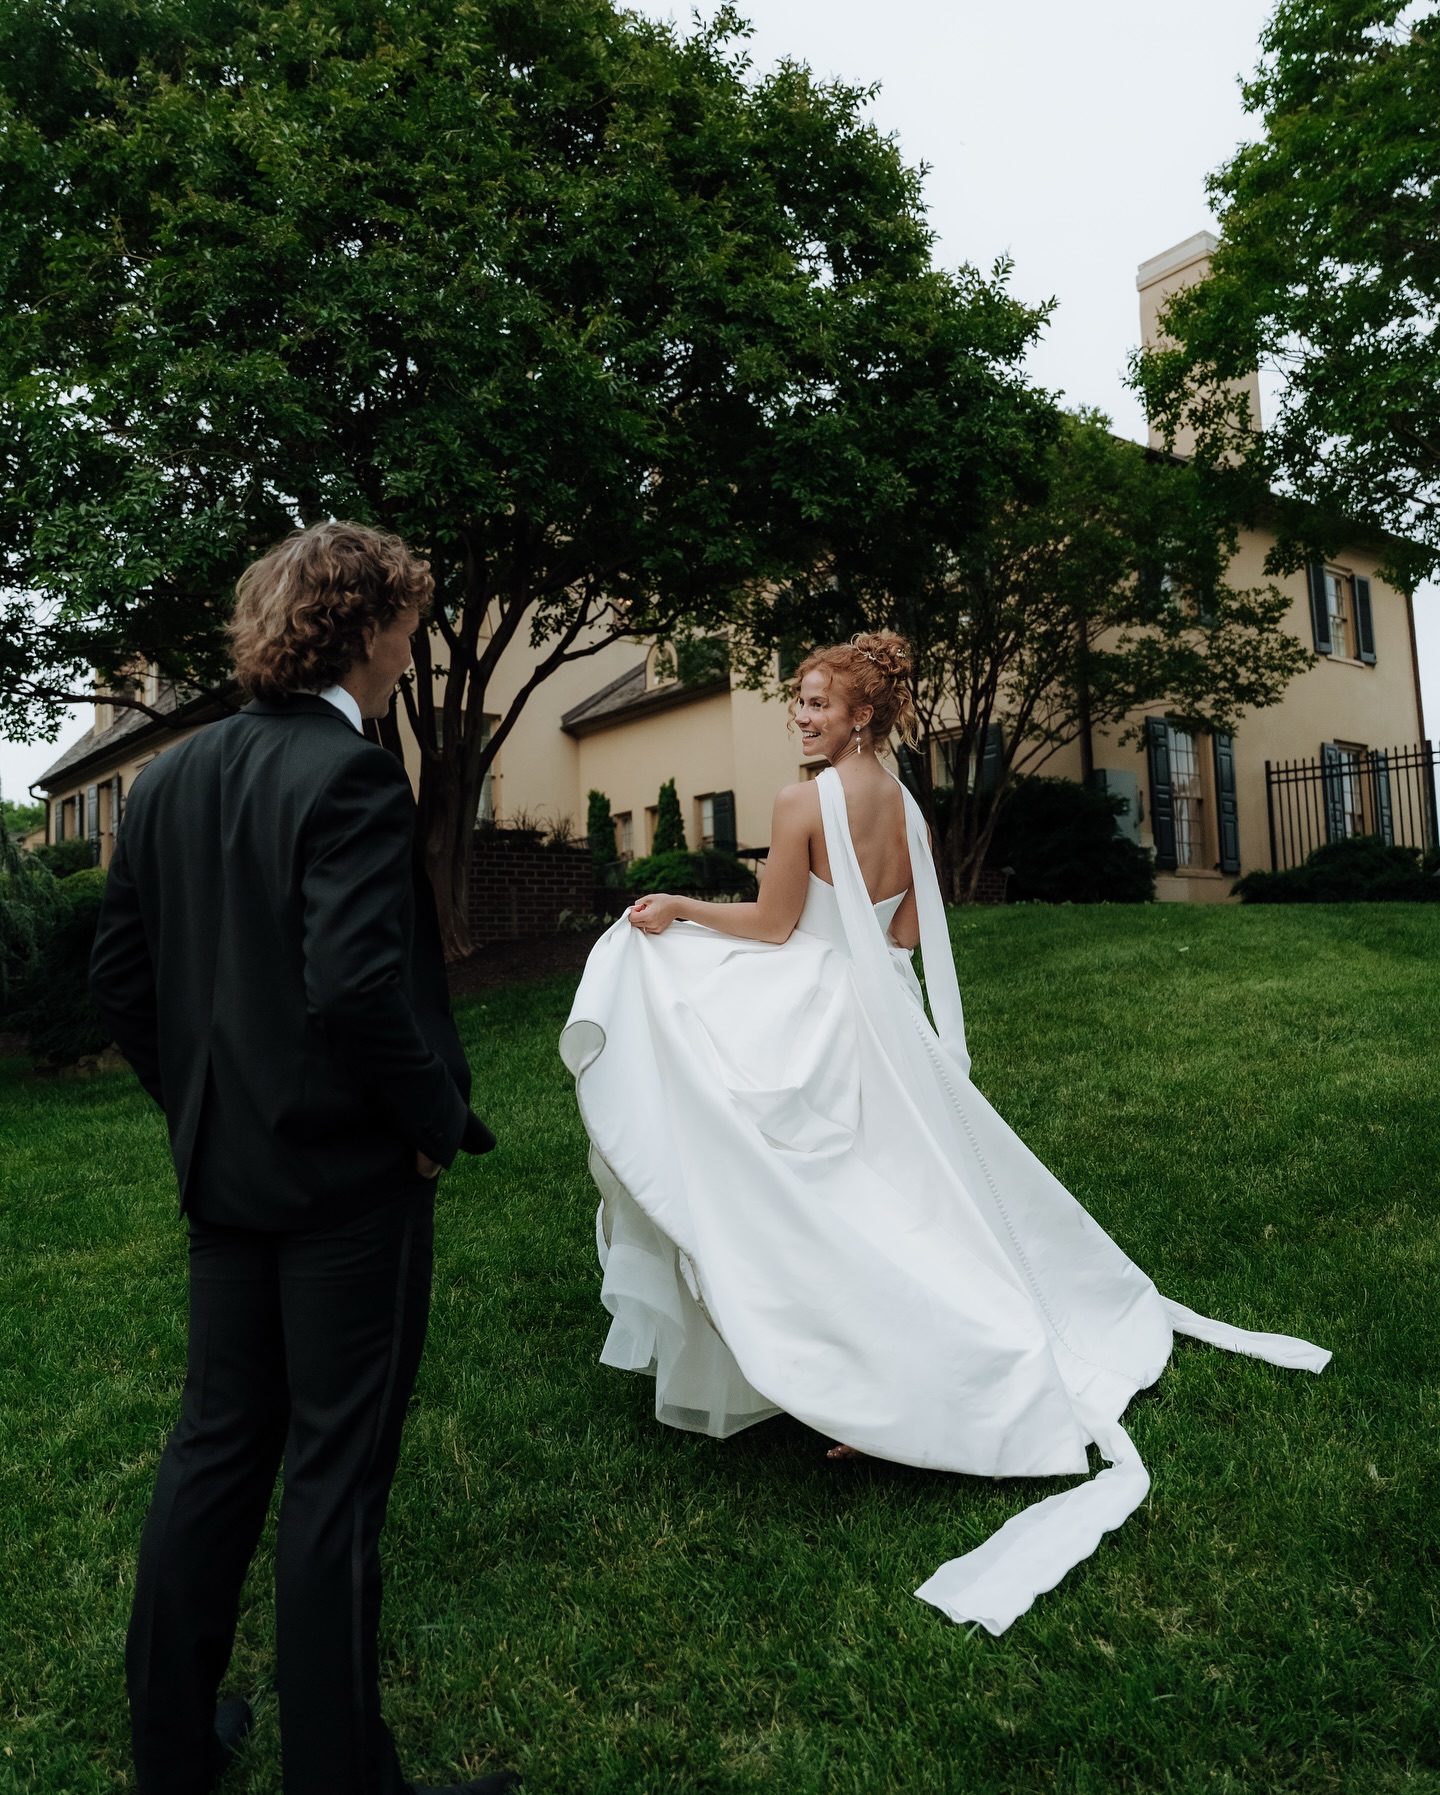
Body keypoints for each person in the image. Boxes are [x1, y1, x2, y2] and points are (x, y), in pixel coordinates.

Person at [560, 631, 1330, 1636]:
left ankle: (874, 1379)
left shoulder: (803, 804)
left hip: (819, 1018)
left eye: (818, 704)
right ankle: (899, 1362)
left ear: (862, 715)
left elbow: (774, 926)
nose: (801, 715)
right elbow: (911, 935)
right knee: (905, 1199)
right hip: (882, 1023)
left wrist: (677, 909)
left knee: (803, 1184)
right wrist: (860, 950)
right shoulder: (907, 806)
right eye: (797, 699)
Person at [90, 522, 513, 1795]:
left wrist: (201, 1108)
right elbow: (359, 988)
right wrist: (434, 1125)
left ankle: (172, 1749)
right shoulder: (352, 774)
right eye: (408, 619)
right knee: (334, 1472)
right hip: (346, 1187)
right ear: (368, 629)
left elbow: (120, 983)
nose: (413, 638)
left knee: (215, 1445)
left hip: (224, 1174)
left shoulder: (164, 781)